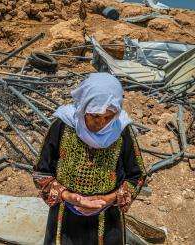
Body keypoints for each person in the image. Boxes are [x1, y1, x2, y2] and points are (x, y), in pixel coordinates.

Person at [33, 72, 146, 245]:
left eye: (108, 117)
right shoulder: (63, 125)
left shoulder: (121, 131)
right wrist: (69, 196)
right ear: (84, 107)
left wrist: (108, 200)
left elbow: (136, 176)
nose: (101, 123)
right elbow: (41, 172)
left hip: (108, 219)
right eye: (95, 116)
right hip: (65, 216)